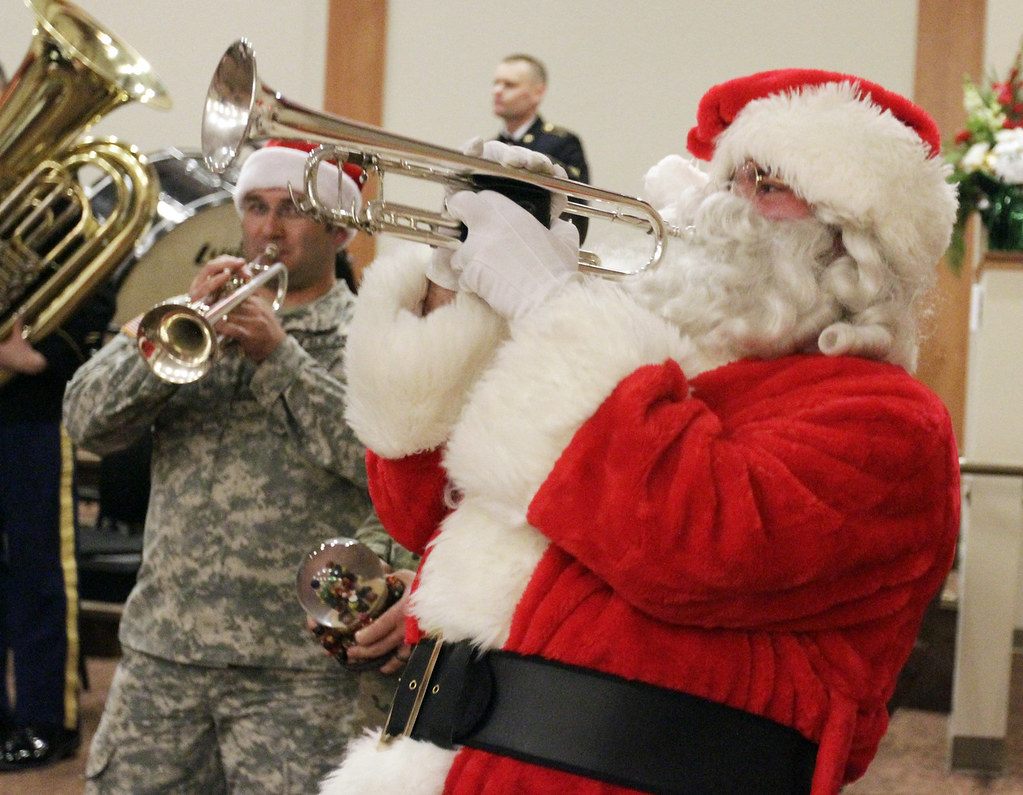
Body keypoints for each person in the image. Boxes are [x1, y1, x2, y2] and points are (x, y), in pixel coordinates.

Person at [320, 69, 961, 795]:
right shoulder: (646, 361)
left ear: (853, 245)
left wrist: (548, 301)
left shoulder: (890, 423)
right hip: (441, 762)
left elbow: (694, 542)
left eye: (770, 185)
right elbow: (422, 509)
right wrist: (456, 288)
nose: (731, 205)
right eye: (731, 177)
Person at [63, 139, 413, 794]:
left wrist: (281, 362)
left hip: (294, 671)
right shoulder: (188, 318)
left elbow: (385, 466)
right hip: (164, 654)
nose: (268, 228)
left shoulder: (375, 335)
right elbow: (86, 419)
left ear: (339, 230)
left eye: (292, 209)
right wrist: (164, 337)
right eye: (254, 206)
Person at [0, 298, 114, 772]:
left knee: (41, 572)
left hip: (34, 411)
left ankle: (47, 721)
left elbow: (93, 284)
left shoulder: (69, 219)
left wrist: (37, 354)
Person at [492, 53, 590, 240]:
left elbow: (577, 211)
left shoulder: (561, 143)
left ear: (538, 93)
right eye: (496, 83)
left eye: (509, 85)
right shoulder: (489, 148)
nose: (497, 90)